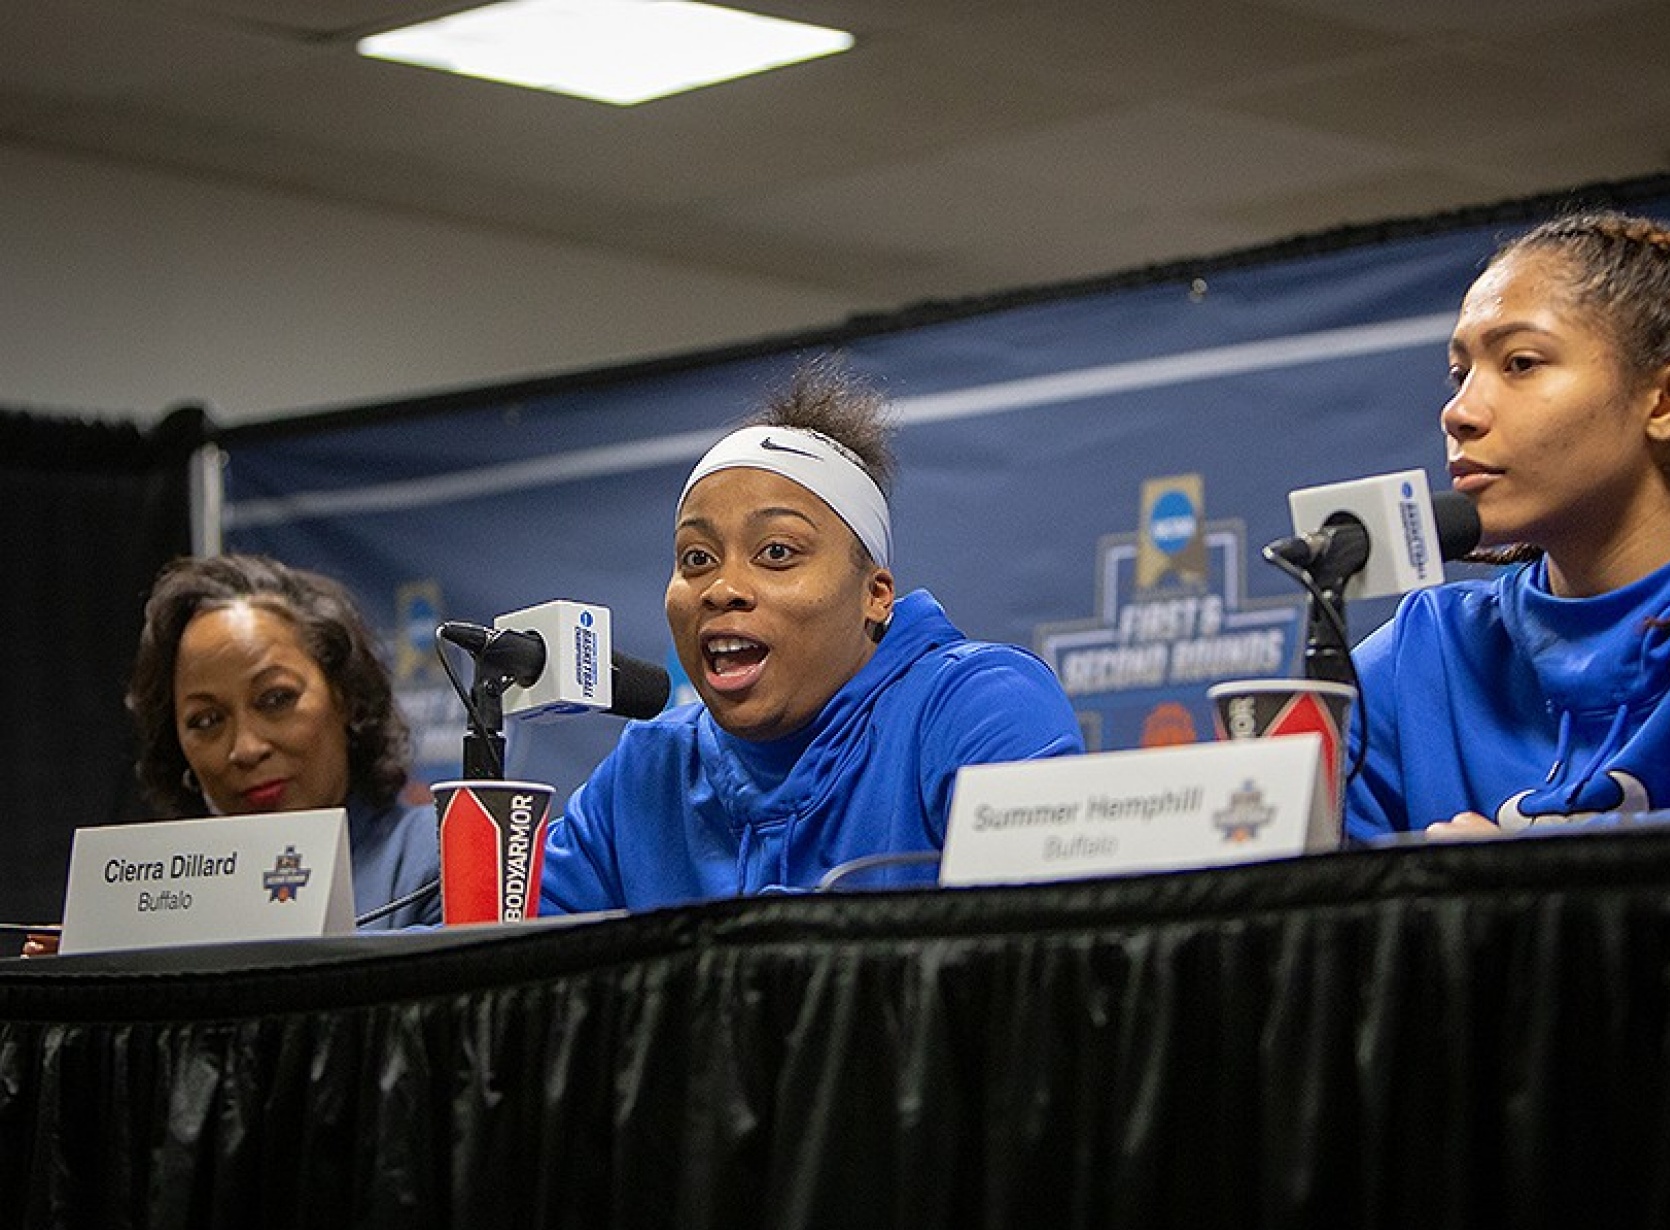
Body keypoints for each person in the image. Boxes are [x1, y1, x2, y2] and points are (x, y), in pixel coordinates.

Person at [1345, 209, 1670, 843]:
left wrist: (1508, 874)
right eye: (1459, 374)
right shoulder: (1419, 657)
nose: (1460, 411)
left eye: (1521, 363)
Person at [540, 358, 1084, 913]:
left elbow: (1044, 949)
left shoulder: (976, 706)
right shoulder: (652, 768)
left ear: (875, 594)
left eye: (777, 552)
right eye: (697, 557)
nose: (723, 588)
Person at [23, 555, 442, 954]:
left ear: (347, 698)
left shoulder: (438, 856)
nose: (245, 749)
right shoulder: (158, 902)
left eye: (276, 699)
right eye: (206, 721)